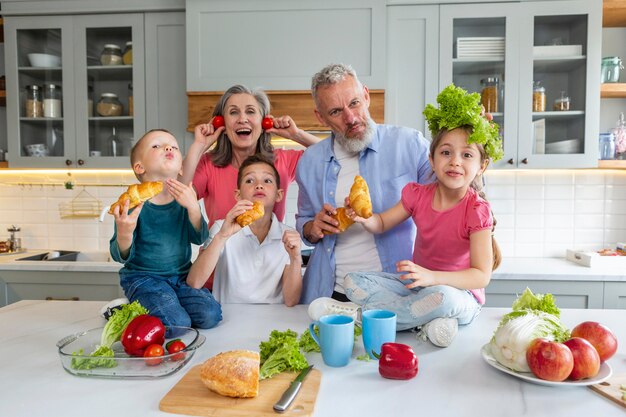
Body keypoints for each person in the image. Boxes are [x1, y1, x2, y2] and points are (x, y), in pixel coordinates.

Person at [337, 84, 504, 348]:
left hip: (460, 296)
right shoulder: (418, 195)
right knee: (353, 282)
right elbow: (381, 223)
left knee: (443, 298)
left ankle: (358, 317)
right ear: (432, 158)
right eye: (446, 152)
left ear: (481, 165)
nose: (455, 161)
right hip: (418, 288)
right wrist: (363, 218)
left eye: (467, 154)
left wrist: (432, 277)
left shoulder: (476, 210)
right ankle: (426, 319)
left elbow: (481, 276)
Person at [296, 63, 433, 304]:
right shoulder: (309, 161)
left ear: (366, 96)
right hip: (331, 293)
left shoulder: (409, 144)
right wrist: (313, 227)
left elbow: (448, 200)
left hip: (398, 292)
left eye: (354, 103)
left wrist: (470, 146)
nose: (350, 118)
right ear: (321, 117)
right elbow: (304, 224)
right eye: (336, 111)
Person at [109, 128, 222, 329]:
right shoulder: (131, 204)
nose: (168, 147)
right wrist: (125, 232)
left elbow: (199, 237)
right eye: (156, 146)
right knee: (177, 323)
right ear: (139, 167)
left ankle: (156, 307)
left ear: (181, 169)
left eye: (174, 146)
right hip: (144, 278)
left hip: (181, 277)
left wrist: (194, 208)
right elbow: (120, 255)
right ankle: (126, 313)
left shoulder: (184, 199)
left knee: (210, 315)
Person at [181, 84, 321, 227]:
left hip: (269, 248)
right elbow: (177, 196)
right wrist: (199, 145)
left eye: (250, 111)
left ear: (263, 123)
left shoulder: (283, 160)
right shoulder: (208, 164)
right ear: (222, 124)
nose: (242, 119)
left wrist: (296, 135)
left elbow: (330, 156)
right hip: (221, 249)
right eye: (233, 112)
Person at [186, 155, 303, 306]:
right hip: (228, 319)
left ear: (279, 195)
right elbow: (194, 282)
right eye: (249, 180)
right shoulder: (221, 228)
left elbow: (291, 300)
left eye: (267, 181)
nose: (259, 185)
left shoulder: (288, 236)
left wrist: (295, 258)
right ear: (238, 195)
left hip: (273, 319)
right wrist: (222, 236)